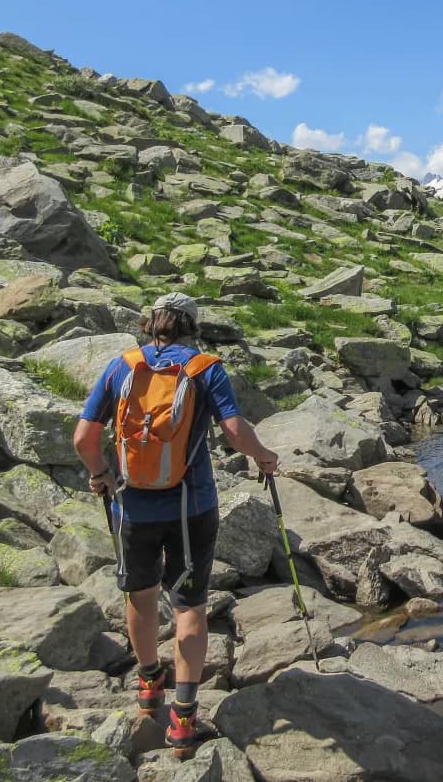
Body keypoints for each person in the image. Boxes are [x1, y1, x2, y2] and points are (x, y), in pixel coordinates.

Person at [73, 292, 278, 753]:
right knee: (190, 607)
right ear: (193, 326)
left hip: (131, 506)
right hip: (191, 508)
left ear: (151, 324)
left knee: (141, 596)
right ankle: (183, 720)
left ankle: (149, 684)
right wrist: (264, 457)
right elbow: (233, 430)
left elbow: (84, 436)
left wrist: (101, 475)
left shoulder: (121, 365)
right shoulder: (205, 368)